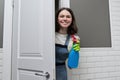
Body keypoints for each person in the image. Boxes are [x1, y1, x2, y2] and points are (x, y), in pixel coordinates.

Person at [55, 7, 80, 80]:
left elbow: (71, 65)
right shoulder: (50, 35)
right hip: (46, 69)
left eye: (68, 17)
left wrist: (76, 52)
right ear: (57, 19)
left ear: (72, 20)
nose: (65, 19)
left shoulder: (75, 39)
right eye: (62, 16)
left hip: (60, 72)